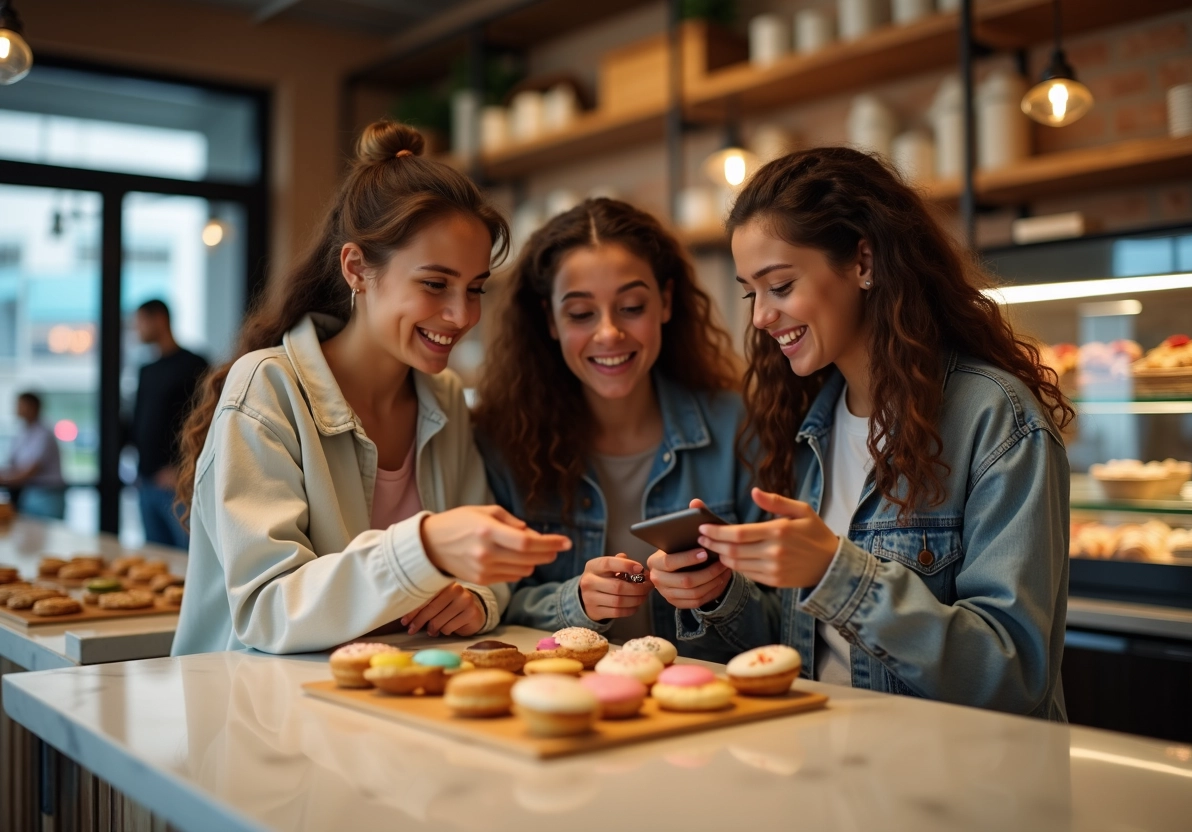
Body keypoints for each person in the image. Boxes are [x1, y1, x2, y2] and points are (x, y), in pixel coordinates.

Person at [656, 147, 1074, 719]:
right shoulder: (805, 425)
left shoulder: (994, 419)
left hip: (954, 769)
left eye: (780, 286)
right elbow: (798, 647)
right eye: (752, 293)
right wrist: (721, 593)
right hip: (826, 755)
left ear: (863, 261)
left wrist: (839, 573)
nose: (759, 317)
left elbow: (1011, 674)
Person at [171, 120, 570, 656]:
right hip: (258, 700)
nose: (461, 315)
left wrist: (476, 597)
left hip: (390, 693)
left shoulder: (443, 397)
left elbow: (488, 565)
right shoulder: (268, 389)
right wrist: (423, 550)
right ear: (357, 269)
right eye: (435, 284)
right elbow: (267, 608)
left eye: (475, 289)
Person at [474, 198, 759, 662]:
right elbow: (491, 605)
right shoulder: (501, 442)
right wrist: (578, 603)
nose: (608, 333)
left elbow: (785, 623)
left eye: (631, 306)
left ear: (666, 302)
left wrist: (721, 595)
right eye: (580, 313)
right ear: (550, 320)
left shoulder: (739, 427)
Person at [129, 299, 210, 549]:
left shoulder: (193, 364)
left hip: (177, 482)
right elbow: (139, 421)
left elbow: (205, 420)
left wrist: (182, 468)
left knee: (187, 555)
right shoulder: (146, 370)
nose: (137, 329)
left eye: (141, 322)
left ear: (159, 319)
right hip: (147, 481)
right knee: (155, 558)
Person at [0, 391, 66, 520]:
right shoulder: (22, 432)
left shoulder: (44, 434)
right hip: (29, 493)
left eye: (21, 405)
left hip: (48, 495)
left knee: (47, 530)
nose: (17, 409)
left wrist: (4, 480)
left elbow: (30, 470)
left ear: (34, 407)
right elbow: (13, 465)